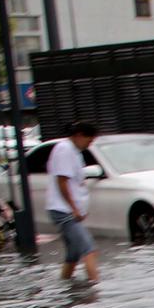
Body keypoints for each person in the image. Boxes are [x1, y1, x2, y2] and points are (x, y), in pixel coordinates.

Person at [46, 121, 100, 283]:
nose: (89, 144)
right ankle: (96, 288)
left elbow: (75, 183)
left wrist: (80, 208)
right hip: (64, 211)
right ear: (79, 135)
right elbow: (62, 181)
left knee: (73, 254)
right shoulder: (65, 150)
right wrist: (74, 209)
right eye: (89, 140)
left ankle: (65, 283)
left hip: (67, 210)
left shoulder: (74, 151)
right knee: (89, 249)